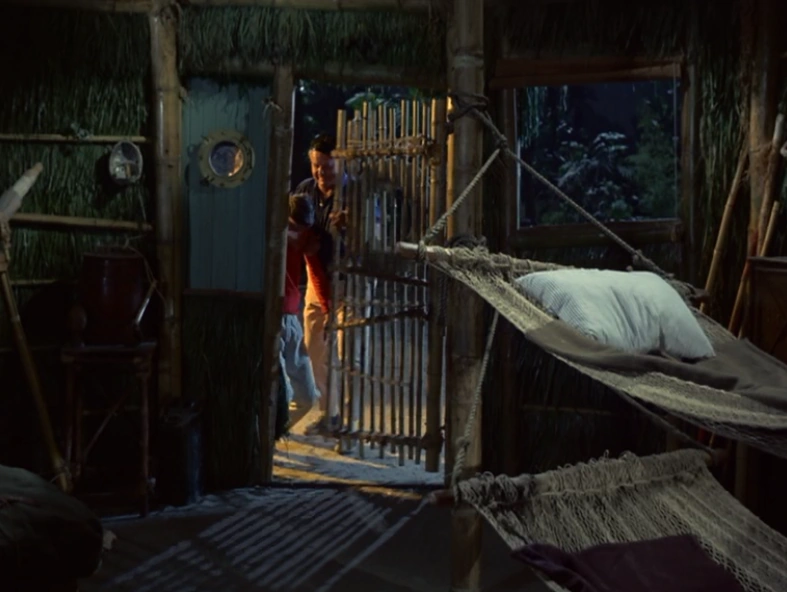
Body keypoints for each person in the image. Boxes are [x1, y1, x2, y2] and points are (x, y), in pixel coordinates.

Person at [293, 134, 351, 434]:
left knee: (348, 352)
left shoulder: (357, 194)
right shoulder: (305, 190)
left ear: (341, 162)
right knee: (314, 347)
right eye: (316, 165)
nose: (320, 172)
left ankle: (351, 419)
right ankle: (330, 414)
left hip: (351, 282)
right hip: (316, 278)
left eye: (327, 166)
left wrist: (353, 228)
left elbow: (376, 240)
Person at [279, 192, 331, 431]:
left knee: (307, 397)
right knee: (281, 393)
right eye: (293, 228)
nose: (297, 234)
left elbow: (317, 272)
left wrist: (328, 309)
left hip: (291, 319)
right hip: (270, 318)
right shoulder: (270, 234)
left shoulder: (305, 237)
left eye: (302, 230)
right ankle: (264, 442)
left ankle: (275, 434)